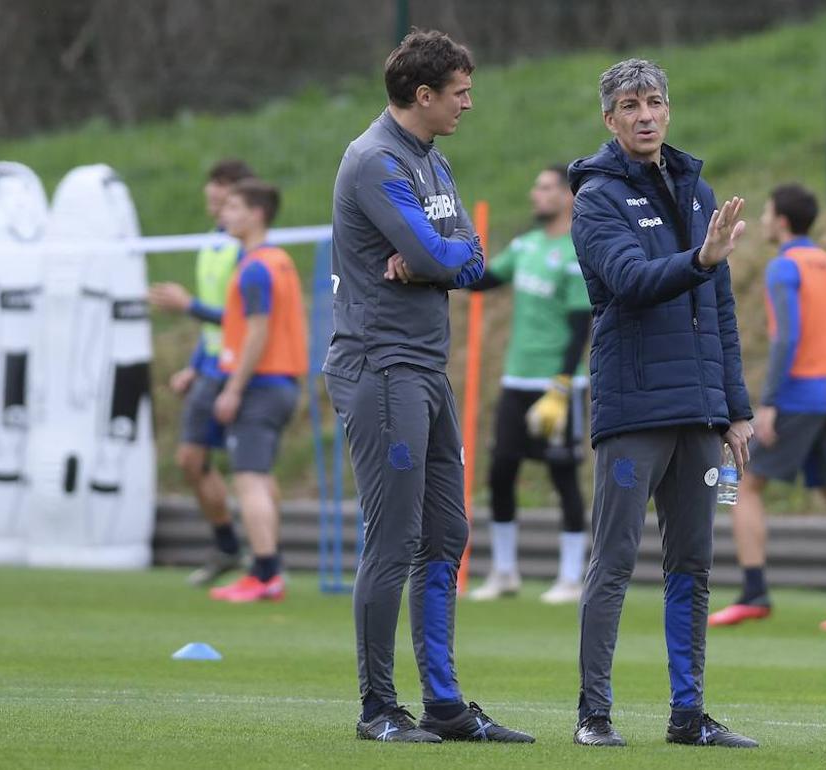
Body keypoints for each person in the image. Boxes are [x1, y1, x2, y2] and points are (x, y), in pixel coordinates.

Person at [324, 30, 533, 744]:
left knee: (447, 532)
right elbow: (440, 255)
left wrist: (439, 260)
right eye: (460, 93)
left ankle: (444, 705)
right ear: (423, 95)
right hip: (381, 369)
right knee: (394, 539)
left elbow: (470, 258)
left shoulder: (432, 160)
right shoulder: (375, 161)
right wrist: (440, 258)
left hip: (425, 369)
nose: (467, 104)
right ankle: (378, 708)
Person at [567, 58, 757, 749]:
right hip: (635, 408)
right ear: (609, 119)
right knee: (614, 561)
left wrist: (736, 407)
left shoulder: (697, 190)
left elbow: (721, 309)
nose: (644, 114)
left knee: (693, 566)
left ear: (668, 110)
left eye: (653, 101)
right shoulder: (596, 198)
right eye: (629, 105)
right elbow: (630, 280)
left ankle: (688, 715)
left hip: (700, 413)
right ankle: (594, 715)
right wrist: (701, 260)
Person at [709, 183, 826, 631]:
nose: (763, 221)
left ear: (780, 221)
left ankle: (754, 592)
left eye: (766, 214)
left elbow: (787, 337)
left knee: (744, 485)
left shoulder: (784, 267)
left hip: (800, 395)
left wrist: (770, 402)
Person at [467, 164, 592, 605]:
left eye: (545, 187)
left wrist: (562, 384)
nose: (535, 194)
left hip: (558, 383)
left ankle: (572, 577)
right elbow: (481, 281)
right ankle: (504, 572)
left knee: (563, 474)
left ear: (568, 196)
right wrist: (440, 257)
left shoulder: (577, 252)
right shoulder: (525, 246)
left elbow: (581, 326)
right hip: (516, 379)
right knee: (501, 471)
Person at [148, 158, 255, 587]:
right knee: (191, 460)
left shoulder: (248, 250)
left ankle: (267, 561)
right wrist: (194, 366)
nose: (211, 194)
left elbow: (245, 319)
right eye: (211, 185)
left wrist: (187, 305)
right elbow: (218, 321)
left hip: (244, 369)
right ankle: (228, 547)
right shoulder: (213, 242)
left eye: (221, 187)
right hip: (212, 367)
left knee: (252, 468)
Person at [203, 179, 307, 603]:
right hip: (282, 383)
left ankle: (264, 572)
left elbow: (257, 332)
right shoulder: (279, 261)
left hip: (262, 384)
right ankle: (268, 568)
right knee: (261, 479)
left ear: (257, 214)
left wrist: (233, 389)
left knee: (248, 481)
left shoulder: (255, 268)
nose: (224, 214)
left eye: (234, 207)